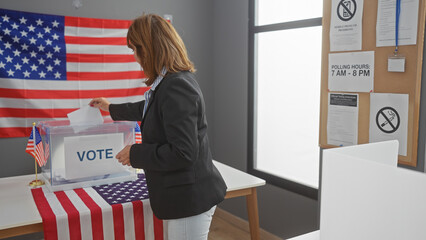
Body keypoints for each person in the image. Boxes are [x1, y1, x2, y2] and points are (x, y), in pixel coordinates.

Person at [89, 14, 227, 239]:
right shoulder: (171, 82)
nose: (135, 57)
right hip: (185, 195)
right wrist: (111, 108)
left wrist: (135, 153)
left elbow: (183, 153)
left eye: (136, 50)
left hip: (188, 200)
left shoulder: (176, 86)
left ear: (150, 49)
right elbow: (152, 108)